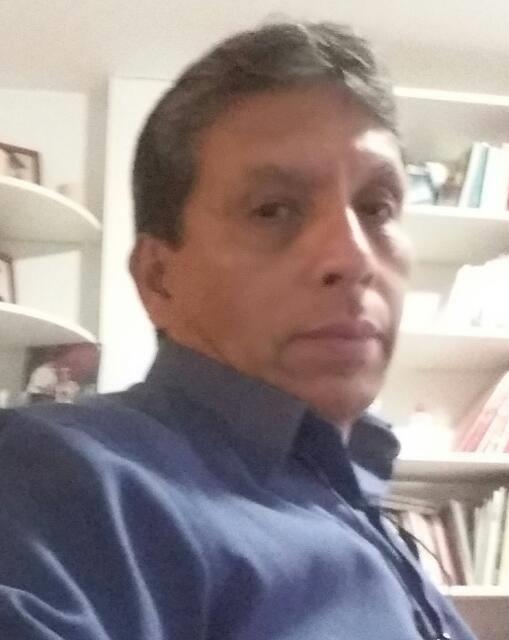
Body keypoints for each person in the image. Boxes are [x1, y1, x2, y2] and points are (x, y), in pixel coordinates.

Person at [0, 21, 476, 640]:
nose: (353, 256)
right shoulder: (57, 477)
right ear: (159, 279)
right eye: (272, 209)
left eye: (376, 207)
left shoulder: (356, 499)